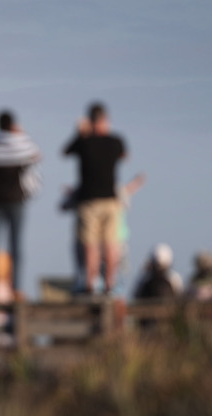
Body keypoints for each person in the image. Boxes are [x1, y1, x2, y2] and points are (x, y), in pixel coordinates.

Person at [63, 102, 126, 295]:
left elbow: (66, 152)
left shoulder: (83, 142)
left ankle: (90, 283)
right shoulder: (115, 141)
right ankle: (109, 284)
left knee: (91, 245)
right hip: (111, 200)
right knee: (111, 244)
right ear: (106, 120)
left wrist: (82, 133)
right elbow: (124, 156)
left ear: (90, 121)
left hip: (89, 200)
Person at [0, 110, 40, 294]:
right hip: (16, 200)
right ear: (12, 124)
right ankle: (17, 286)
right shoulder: (20, 146)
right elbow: (36, 156)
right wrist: (21, 135)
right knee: (16, 246)